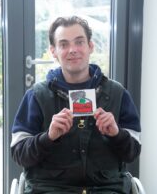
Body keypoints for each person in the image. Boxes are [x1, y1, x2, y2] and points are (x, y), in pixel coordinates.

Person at [11, 16, 141, 194]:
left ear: (90, 46)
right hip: (49, 189)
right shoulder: (36, 96)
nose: (72, 50)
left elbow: (132, 153)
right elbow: (19, 155)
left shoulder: (118, 94)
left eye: (79, 42)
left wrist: (117, 134)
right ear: (53, 51)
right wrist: (47, 138)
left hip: (106, 189)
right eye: (63, 44)